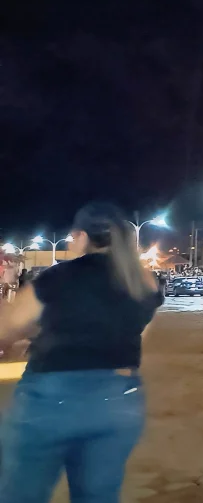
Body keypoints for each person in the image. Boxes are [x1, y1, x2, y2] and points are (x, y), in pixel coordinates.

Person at [0, 203, 163, 501]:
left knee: (20, 493)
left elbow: (6, 327)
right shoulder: (144, 282)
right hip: (120, 399)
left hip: (52, 400)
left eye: (72, 238)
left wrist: (6, 287)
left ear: (83, 237)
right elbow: (130, 336)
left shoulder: (59, 277)